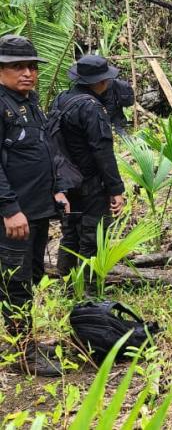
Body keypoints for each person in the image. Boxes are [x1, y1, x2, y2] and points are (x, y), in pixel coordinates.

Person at [0, 34, 67, 376]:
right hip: (14, 215)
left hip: (38, 210)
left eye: (31, 66)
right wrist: (9, 208)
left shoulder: (29, 101)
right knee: (15, 283)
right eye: (16, 66)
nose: (27, 72)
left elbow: (43, 149)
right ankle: (22, 354)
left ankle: (23, 341)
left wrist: (57, 190)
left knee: (33, 276)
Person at [55, 55, 126, 278]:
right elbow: (102, 151)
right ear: (100, 82)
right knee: (94, 234)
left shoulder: (62, 99)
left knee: (70, 232)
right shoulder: (92, 108)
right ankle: (88, 287)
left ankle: (66, 280)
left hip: (65, 179)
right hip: (90, 182)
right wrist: (116, 189)